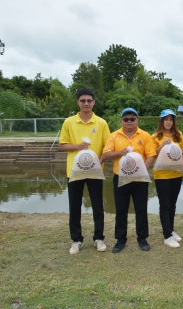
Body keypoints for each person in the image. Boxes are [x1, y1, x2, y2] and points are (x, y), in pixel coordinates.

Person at [59, 88, 110, 255]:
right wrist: (78, 146)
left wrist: (99, 162)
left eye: (89, 100)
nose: (86, 103)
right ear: (78, 102)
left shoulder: (101, 123)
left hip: (95, 171)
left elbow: (108, 147)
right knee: (74, 206)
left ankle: (99, 238)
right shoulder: (69, 122)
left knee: (97, 205)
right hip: (74, 172)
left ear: (94, 102)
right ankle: (76, 240)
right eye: (83, 100)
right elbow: (62, 146)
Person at [101, 108, 156, 253]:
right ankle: (120, 240)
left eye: (132, 118)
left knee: (141, 208)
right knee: (120, 209)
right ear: (121, 120)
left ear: (137, 120)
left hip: (140, 179)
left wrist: (143, 169)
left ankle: (142, 238)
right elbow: (106, 155)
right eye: (126, 119)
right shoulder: (114, 136)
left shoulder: (144, 135)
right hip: (120, 177)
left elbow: (151, 155)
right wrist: (120, 152)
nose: (129, 121)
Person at [151, 109, 183, 248]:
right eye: (166, 119)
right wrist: (162, 146)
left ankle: (171, 230)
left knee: (172, 204)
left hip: (176, 174)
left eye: (171, 120)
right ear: (162, 121)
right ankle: (167, 236)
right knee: (164, 205)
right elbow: (152, 154)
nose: (168, 122)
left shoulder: (179, 135)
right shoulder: (155, 136)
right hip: (162, 175)